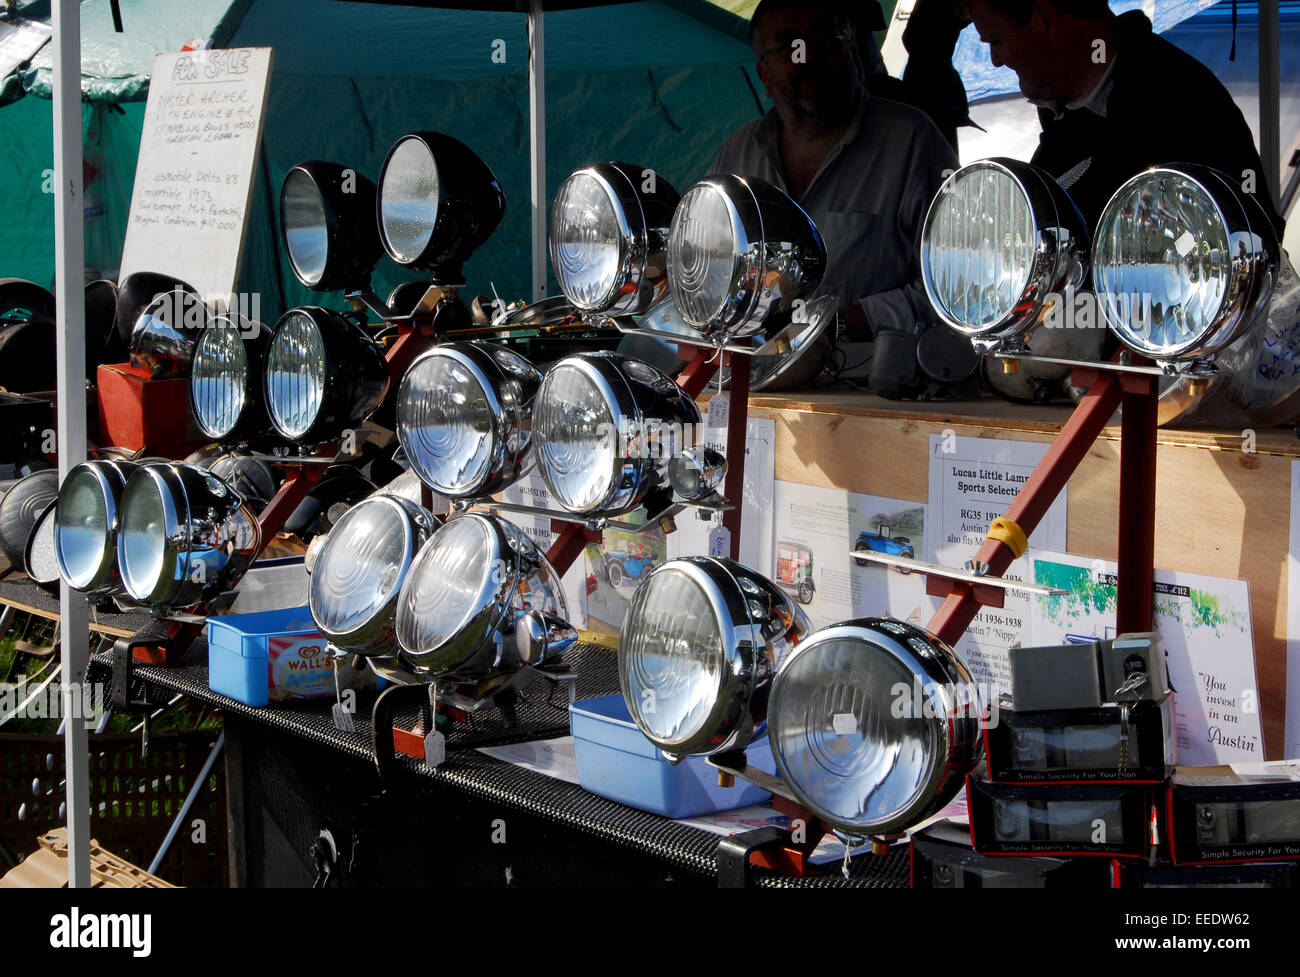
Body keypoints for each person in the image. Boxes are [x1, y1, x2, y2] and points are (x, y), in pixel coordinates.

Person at [711, 0, 959, 366]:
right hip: (752, 388)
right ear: (763, 75)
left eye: (825, 38)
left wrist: (839, 324)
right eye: (787, 46)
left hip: (874, 394)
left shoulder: (913, 142)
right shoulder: (736, 158)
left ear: (852, 51)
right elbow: (705, 276)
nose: (807, 56)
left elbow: (959, 290)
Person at [966, 0, 1286, 237]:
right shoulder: (1066, 121)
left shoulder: (1178, 102)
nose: (994, 62)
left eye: (997, 42)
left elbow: (1253, 238)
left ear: (1047, 20)